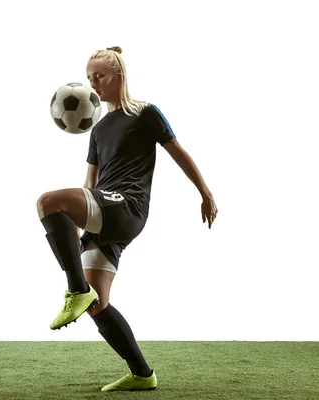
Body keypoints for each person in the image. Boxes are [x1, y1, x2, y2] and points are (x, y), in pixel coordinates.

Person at [36, 46, 218, 392]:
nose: (94, 84)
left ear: (118, 75)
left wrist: (205, 192)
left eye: (99, 76)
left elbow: (179, 153)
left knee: (47, 202)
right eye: (89, 78)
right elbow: (90, 183)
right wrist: (77, 228)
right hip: (103, 209)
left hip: (127, 206)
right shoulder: (98, 128)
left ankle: (75, 289)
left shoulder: (145, 113)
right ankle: (141, 373)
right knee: (98, 304)